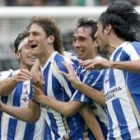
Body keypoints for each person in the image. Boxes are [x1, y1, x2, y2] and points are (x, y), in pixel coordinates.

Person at [0, 17, 98, 139]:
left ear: (51, 38)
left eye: (35, 34)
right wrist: (3, 107)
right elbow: (32, 114)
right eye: (29, 34)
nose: (30, 38)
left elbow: (84, 109)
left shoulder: (62, 67)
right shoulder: (36, 75)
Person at [32, 18, 108, 139]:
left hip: (108, 133)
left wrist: (42, 98)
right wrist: (35, 68)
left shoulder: (98, 69)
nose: (76, 44)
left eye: (82, 39)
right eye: (74, 39)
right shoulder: (74, 62)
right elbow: (47, 52)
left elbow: (71, 109)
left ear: (96, 42)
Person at [80, 2, 140, 139]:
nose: (95, 35)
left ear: (107, 29)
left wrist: (109, 64)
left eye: (98, 28)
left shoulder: (129, 48)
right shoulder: (110, 67)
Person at [0, 31, 45, 140]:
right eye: (27, 47)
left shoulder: (47, 79)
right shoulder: (7, 75)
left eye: (35, 47)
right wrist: (15, 80)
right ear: (17, 53)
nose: (32, 51)